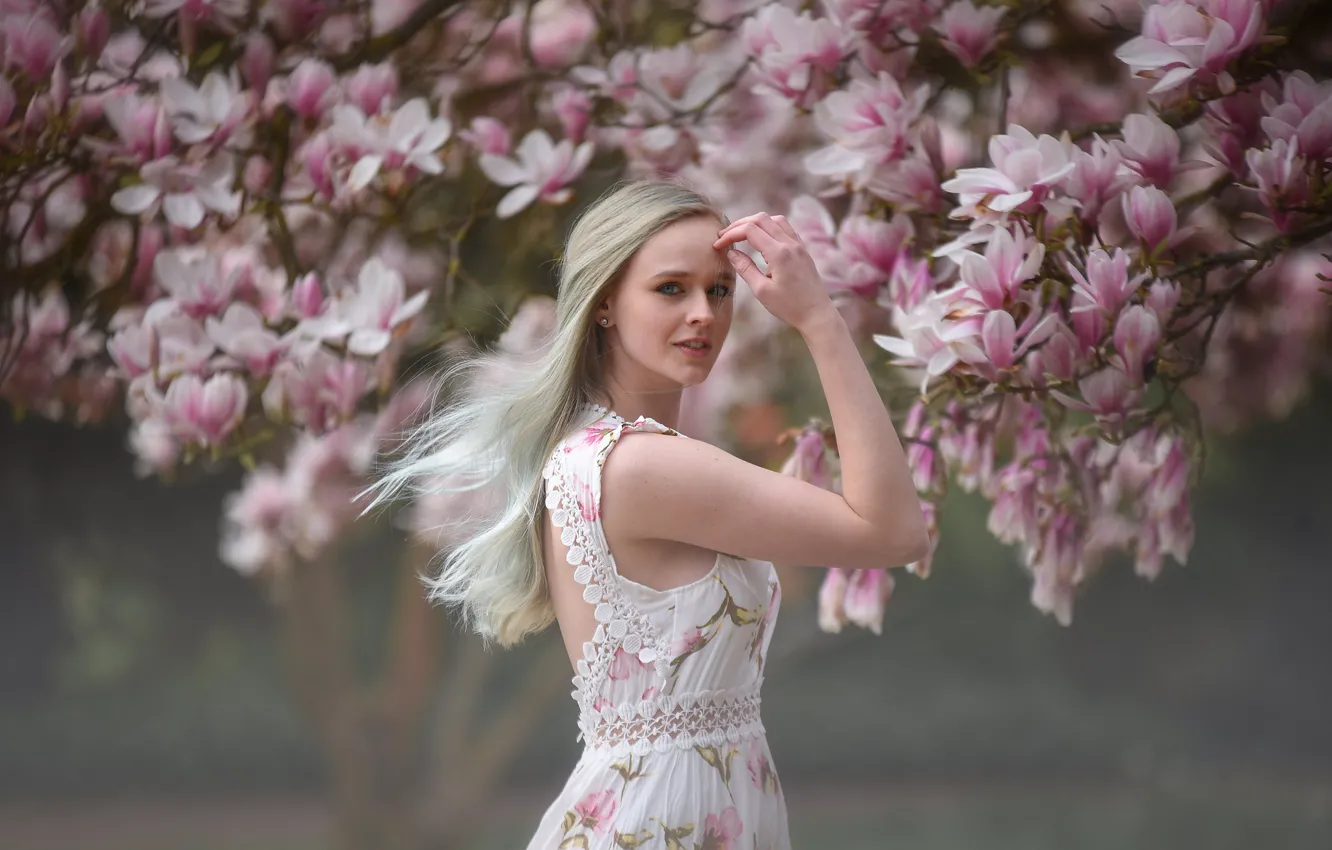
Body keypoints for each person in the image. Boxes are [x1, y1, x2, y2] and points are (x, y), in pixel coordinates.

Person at [367, 180, 930, 849]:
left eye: (719, 290)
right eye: (671, 288)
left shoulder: (601, 454)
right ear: (605, 303)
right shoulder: (640, 467)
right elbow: (893, 532)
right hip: (663, 823)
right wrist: (819, 321)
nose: (703, 313)